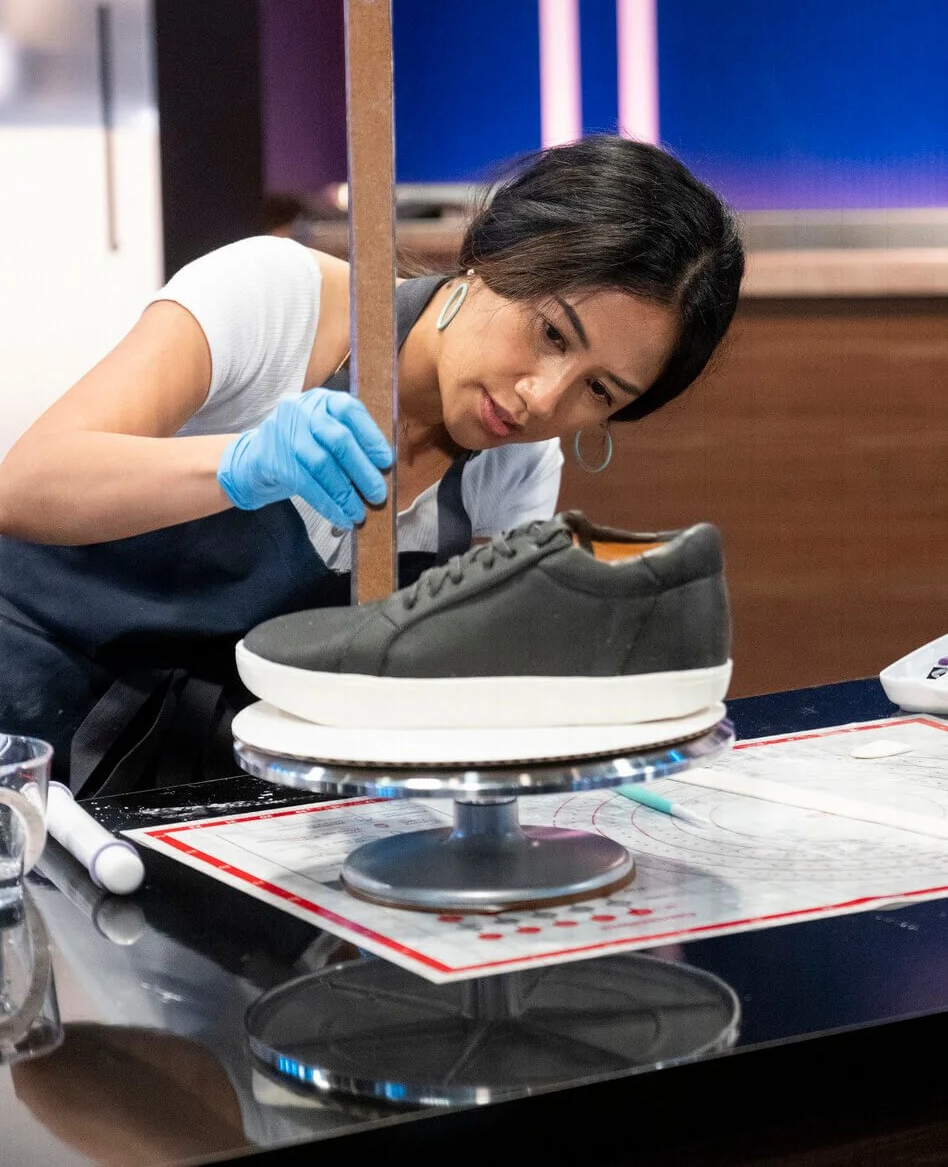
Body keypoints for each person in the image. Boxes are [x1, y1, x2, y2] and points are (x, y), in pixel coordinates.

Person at [0, 135, 745, 794]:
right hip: (26, 717)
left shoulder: (515, 470)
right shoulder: (274, 300)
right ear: (494, 253)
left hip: (209, 783)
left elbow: (463, 672)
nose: (541, 399)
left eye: (598, 390)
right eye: (551, 332)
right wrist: (239, 463)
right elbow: (27, 482)